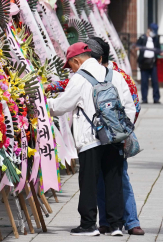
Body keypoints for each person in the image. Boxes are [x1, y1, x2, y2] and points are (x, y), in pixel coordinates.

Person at [47, 42, 136, 236]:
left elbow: (61, 106)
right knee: (113, 180)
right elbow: (129, 106)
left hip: (90, 139)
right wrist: (121, 130)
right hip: (115, 138)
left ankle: (88, 225)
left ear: (77, 61)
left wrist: (43, 102)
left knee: (88, 182)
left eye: (70, 65)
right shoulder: (115, 75)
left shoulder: (79, 79)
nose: (70, 70)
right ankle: (115, 226)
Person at [86, 37, 145, 236]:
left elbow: (134, 105)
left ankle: (131, 221)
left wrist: (122, 131)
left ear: (99, 57)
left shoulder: (119, 76)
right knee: (102, 179)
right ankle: (106, 221)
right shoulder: (86, 74)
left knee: (121, 178)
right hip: (97, 137)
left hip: (117, 136)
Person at [136, 23, 161, 104]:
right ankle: (144, 99)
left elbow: (158, 49)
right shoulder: (142, 38)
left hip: (152, 62)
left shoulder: (156, 39)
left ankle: (156, 98)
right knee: (144, 82)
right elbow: (137, 46)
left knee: (154, 81)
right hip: (144, 63)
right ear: (149, 29)